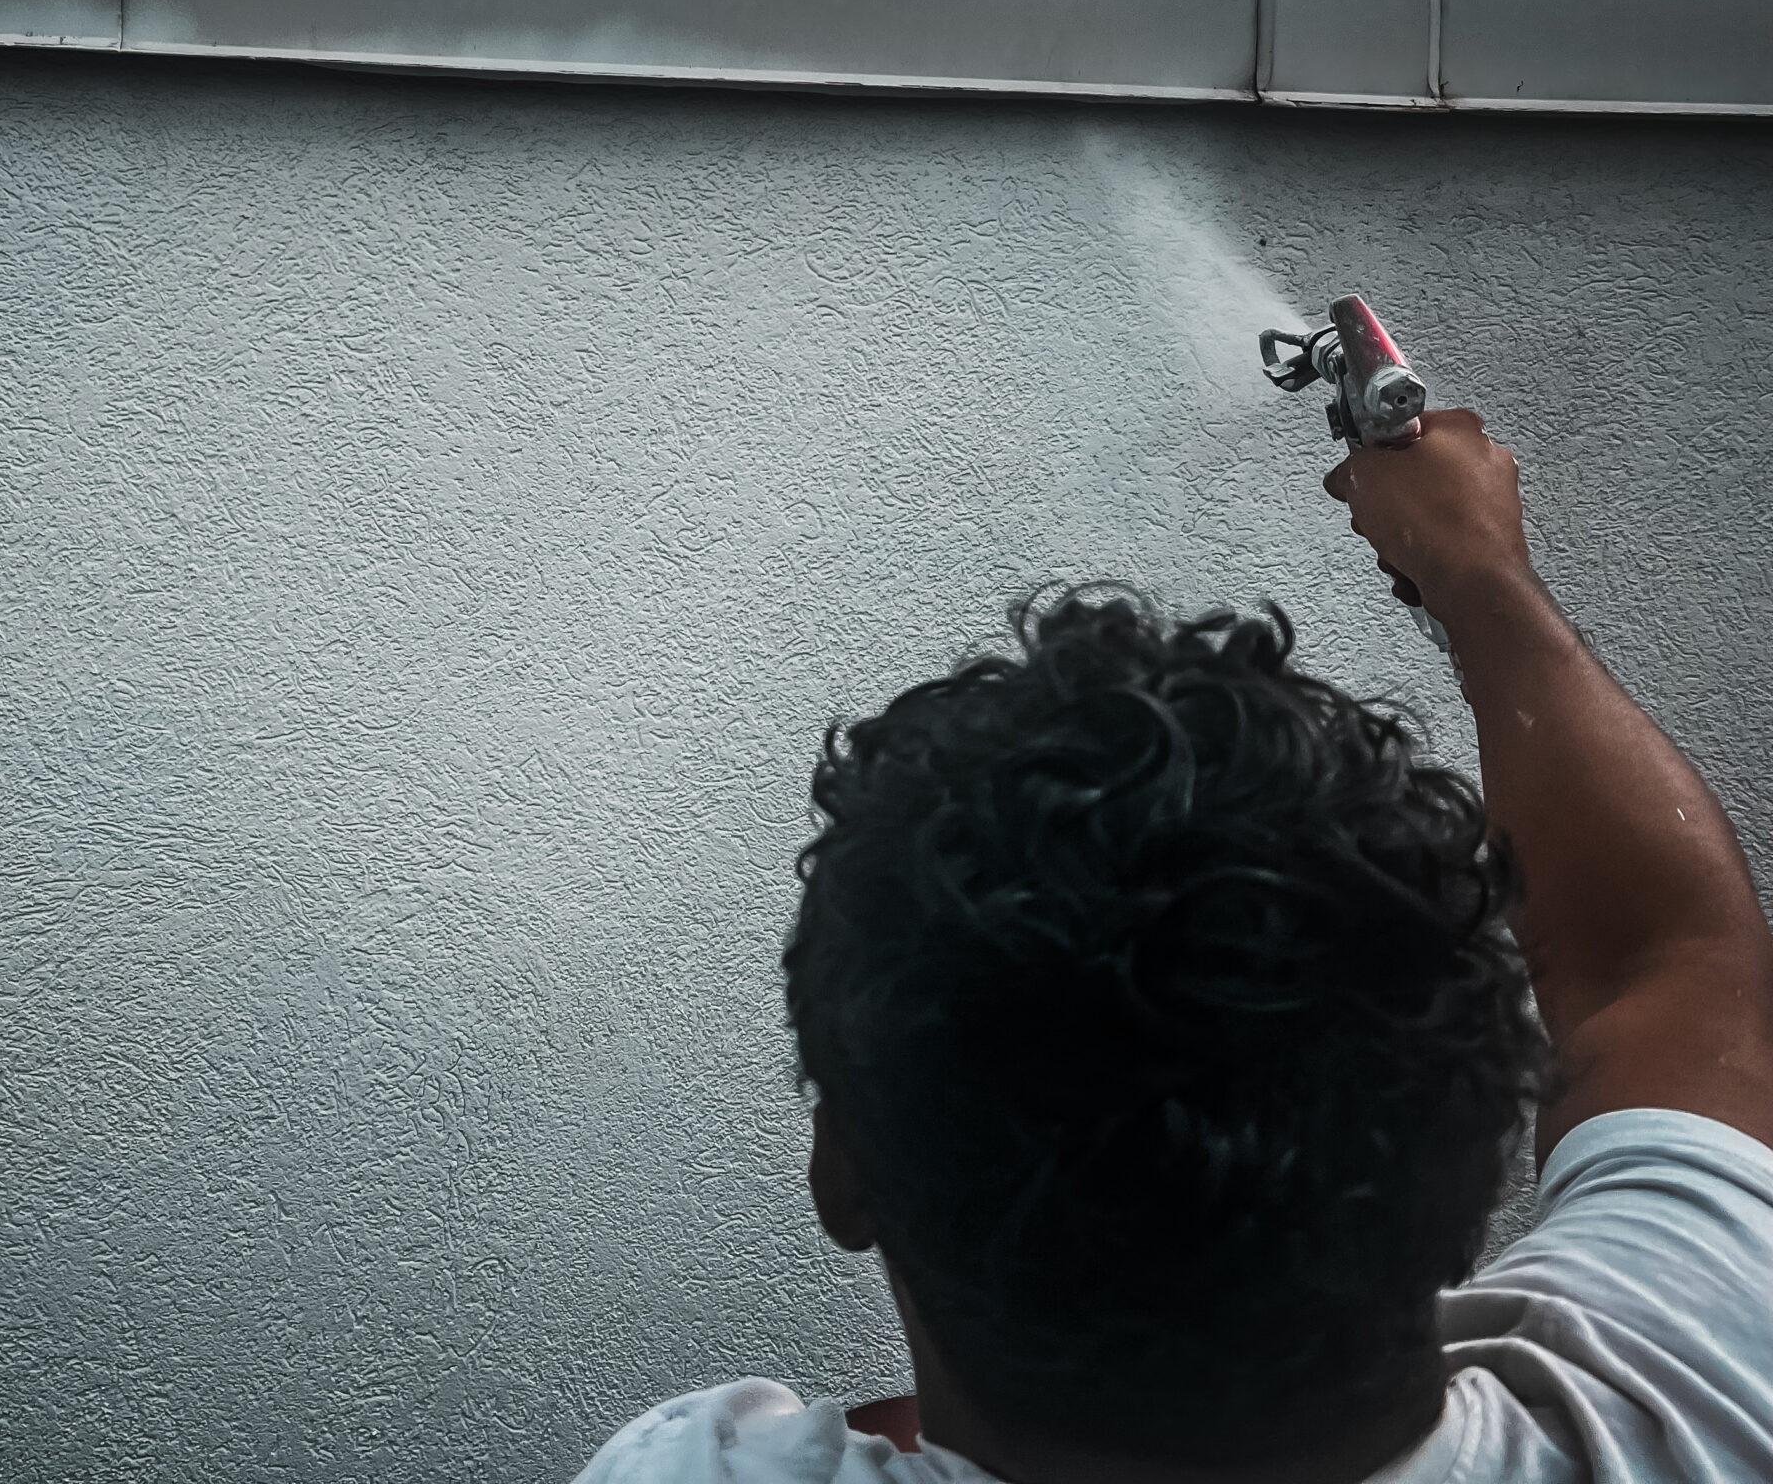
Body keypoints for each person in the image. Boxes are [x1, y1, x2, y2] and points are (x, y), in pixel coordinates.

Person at [570, 409, 1773, 1484]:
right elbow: (1662, 967)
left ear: (843, 1173)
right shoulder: (1699, 1389)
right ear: (1483, 1142)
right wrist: (1474, 568)